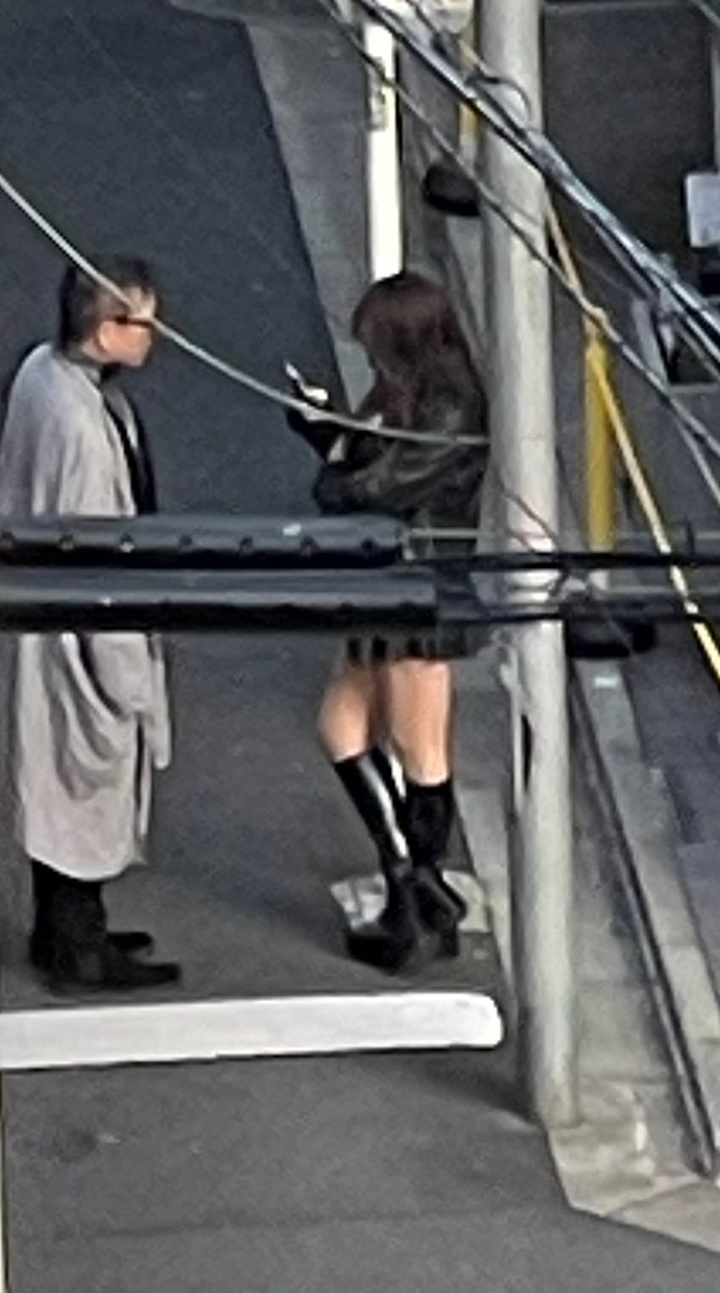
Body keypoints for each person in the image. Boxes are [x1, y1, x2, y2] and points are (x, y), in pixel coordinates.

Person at [0, 255, 180, 993]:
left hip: (38, 619)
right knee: (81, 786)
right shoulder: (82, 433)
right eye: (145, 322)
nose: (156, 335)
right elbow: (102, 557)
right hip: (78, 634)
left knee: (54, 784)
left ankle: (63, 928)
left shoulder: (43, 375)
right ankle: (78, 944)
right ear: (108, 329)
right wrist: (130, 678)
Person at [289, 271, 489, 974]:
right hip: (386, 581)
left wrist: (336, 466)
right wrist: (329, 436)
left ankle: (413, 897)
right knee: (341, 728)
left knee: (418, 747)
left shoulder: (452, 406)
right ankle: (412, 880)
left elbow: (380, 485)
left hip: (419, 588)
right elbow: (365, 472)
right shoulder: (410, 398)